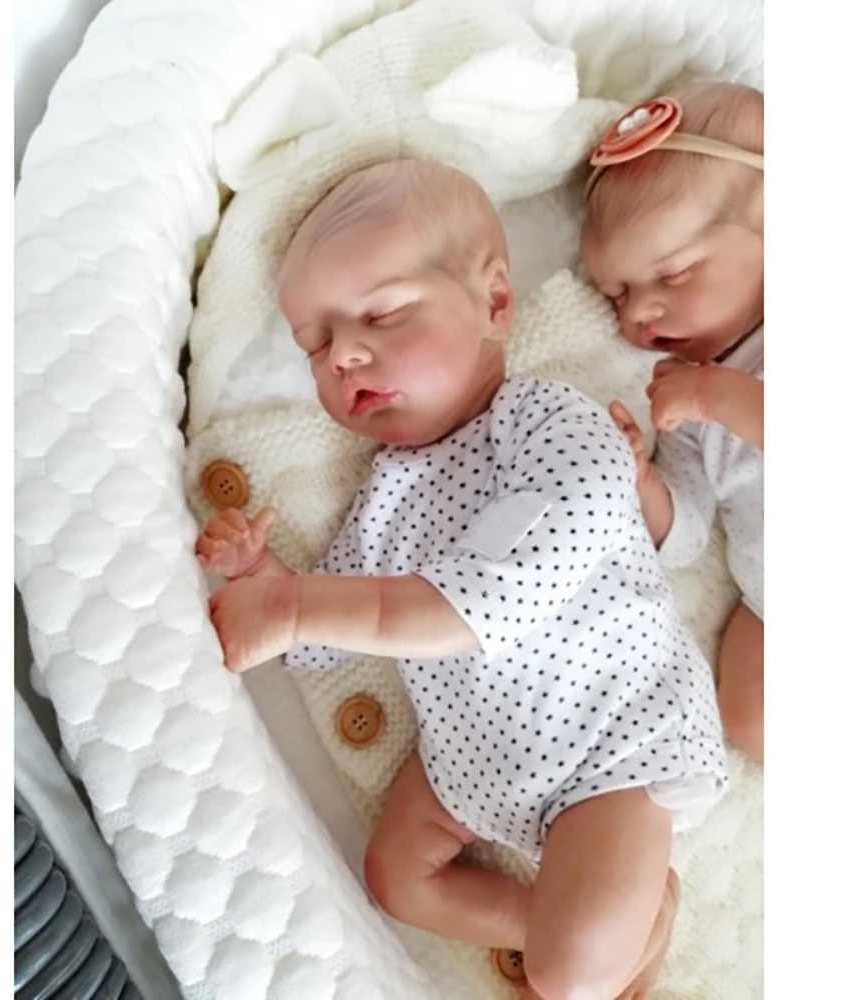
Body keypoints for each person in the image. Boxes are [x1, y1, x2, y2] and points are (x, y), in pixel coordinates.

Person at [197, 159, 727, 1000]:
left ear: (495, 303)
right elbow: (319, 643)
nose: (345, 355)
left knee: (569, 976)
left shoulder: (553, 424)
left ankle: (586, 938)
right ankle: (582, 915)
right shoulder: (383, 499)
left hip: (606, 739)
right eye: (315, 345)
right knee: (396, 878)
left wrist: (293, 605)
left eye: (381, 314)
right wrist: (269, 577)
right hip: (469, 762)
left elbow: (494, 596)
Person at [579, 83, 764, 761]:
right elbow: (687, 537)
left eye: (675, 273)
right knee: (750, 718)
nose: (638, 313)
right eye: (616, 295)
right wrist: (643, 483)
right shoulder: (684, 404)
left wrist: (716, 394)